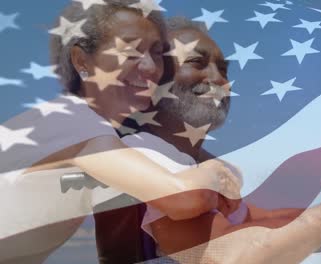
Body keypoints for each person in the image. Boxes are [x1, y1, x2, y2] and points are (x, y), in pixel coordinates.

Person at [98, 17, 321, 264]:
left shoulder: (203, 164)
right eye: (197, 63)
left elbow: (261, 221)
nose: (219, 79)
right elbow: (228, 256)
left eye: (223, 69)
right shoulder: (146, 154)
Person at [0, 2, 239, 263]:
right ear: (82, 60)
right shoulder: (76, 123)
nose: (149, 67)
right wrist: (214, 171)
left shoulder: (79, 125)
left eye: (157, 54)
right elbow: (184, 199)